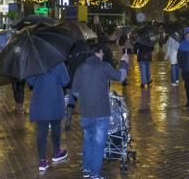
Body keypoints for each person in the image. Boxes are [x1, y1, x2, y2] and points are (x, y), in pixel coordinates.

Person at [72, 43, 129, 179]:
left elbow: (75, 92)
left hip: (86, 113)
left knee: (88, 141)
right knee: (98, 144)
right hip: (101, 113)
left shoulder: (80, 69)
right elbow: (121, 77)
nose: (103, 55)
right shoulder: (104, 67)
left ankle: (86, 170)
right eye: (102, 53)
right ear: (99, 52)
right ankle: (95, 174)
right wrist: (124, 63)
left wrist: (87, 98)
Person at [26, 62, 71, 172]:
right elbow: (65, 81)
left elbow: (30, 81)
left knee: (41, 132)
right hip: (55, 101)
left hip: (40, 102)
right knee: (56, 129)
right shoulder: (59, 63)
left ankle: (42, 161)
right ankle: (57, 153)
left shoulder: (35, 63)